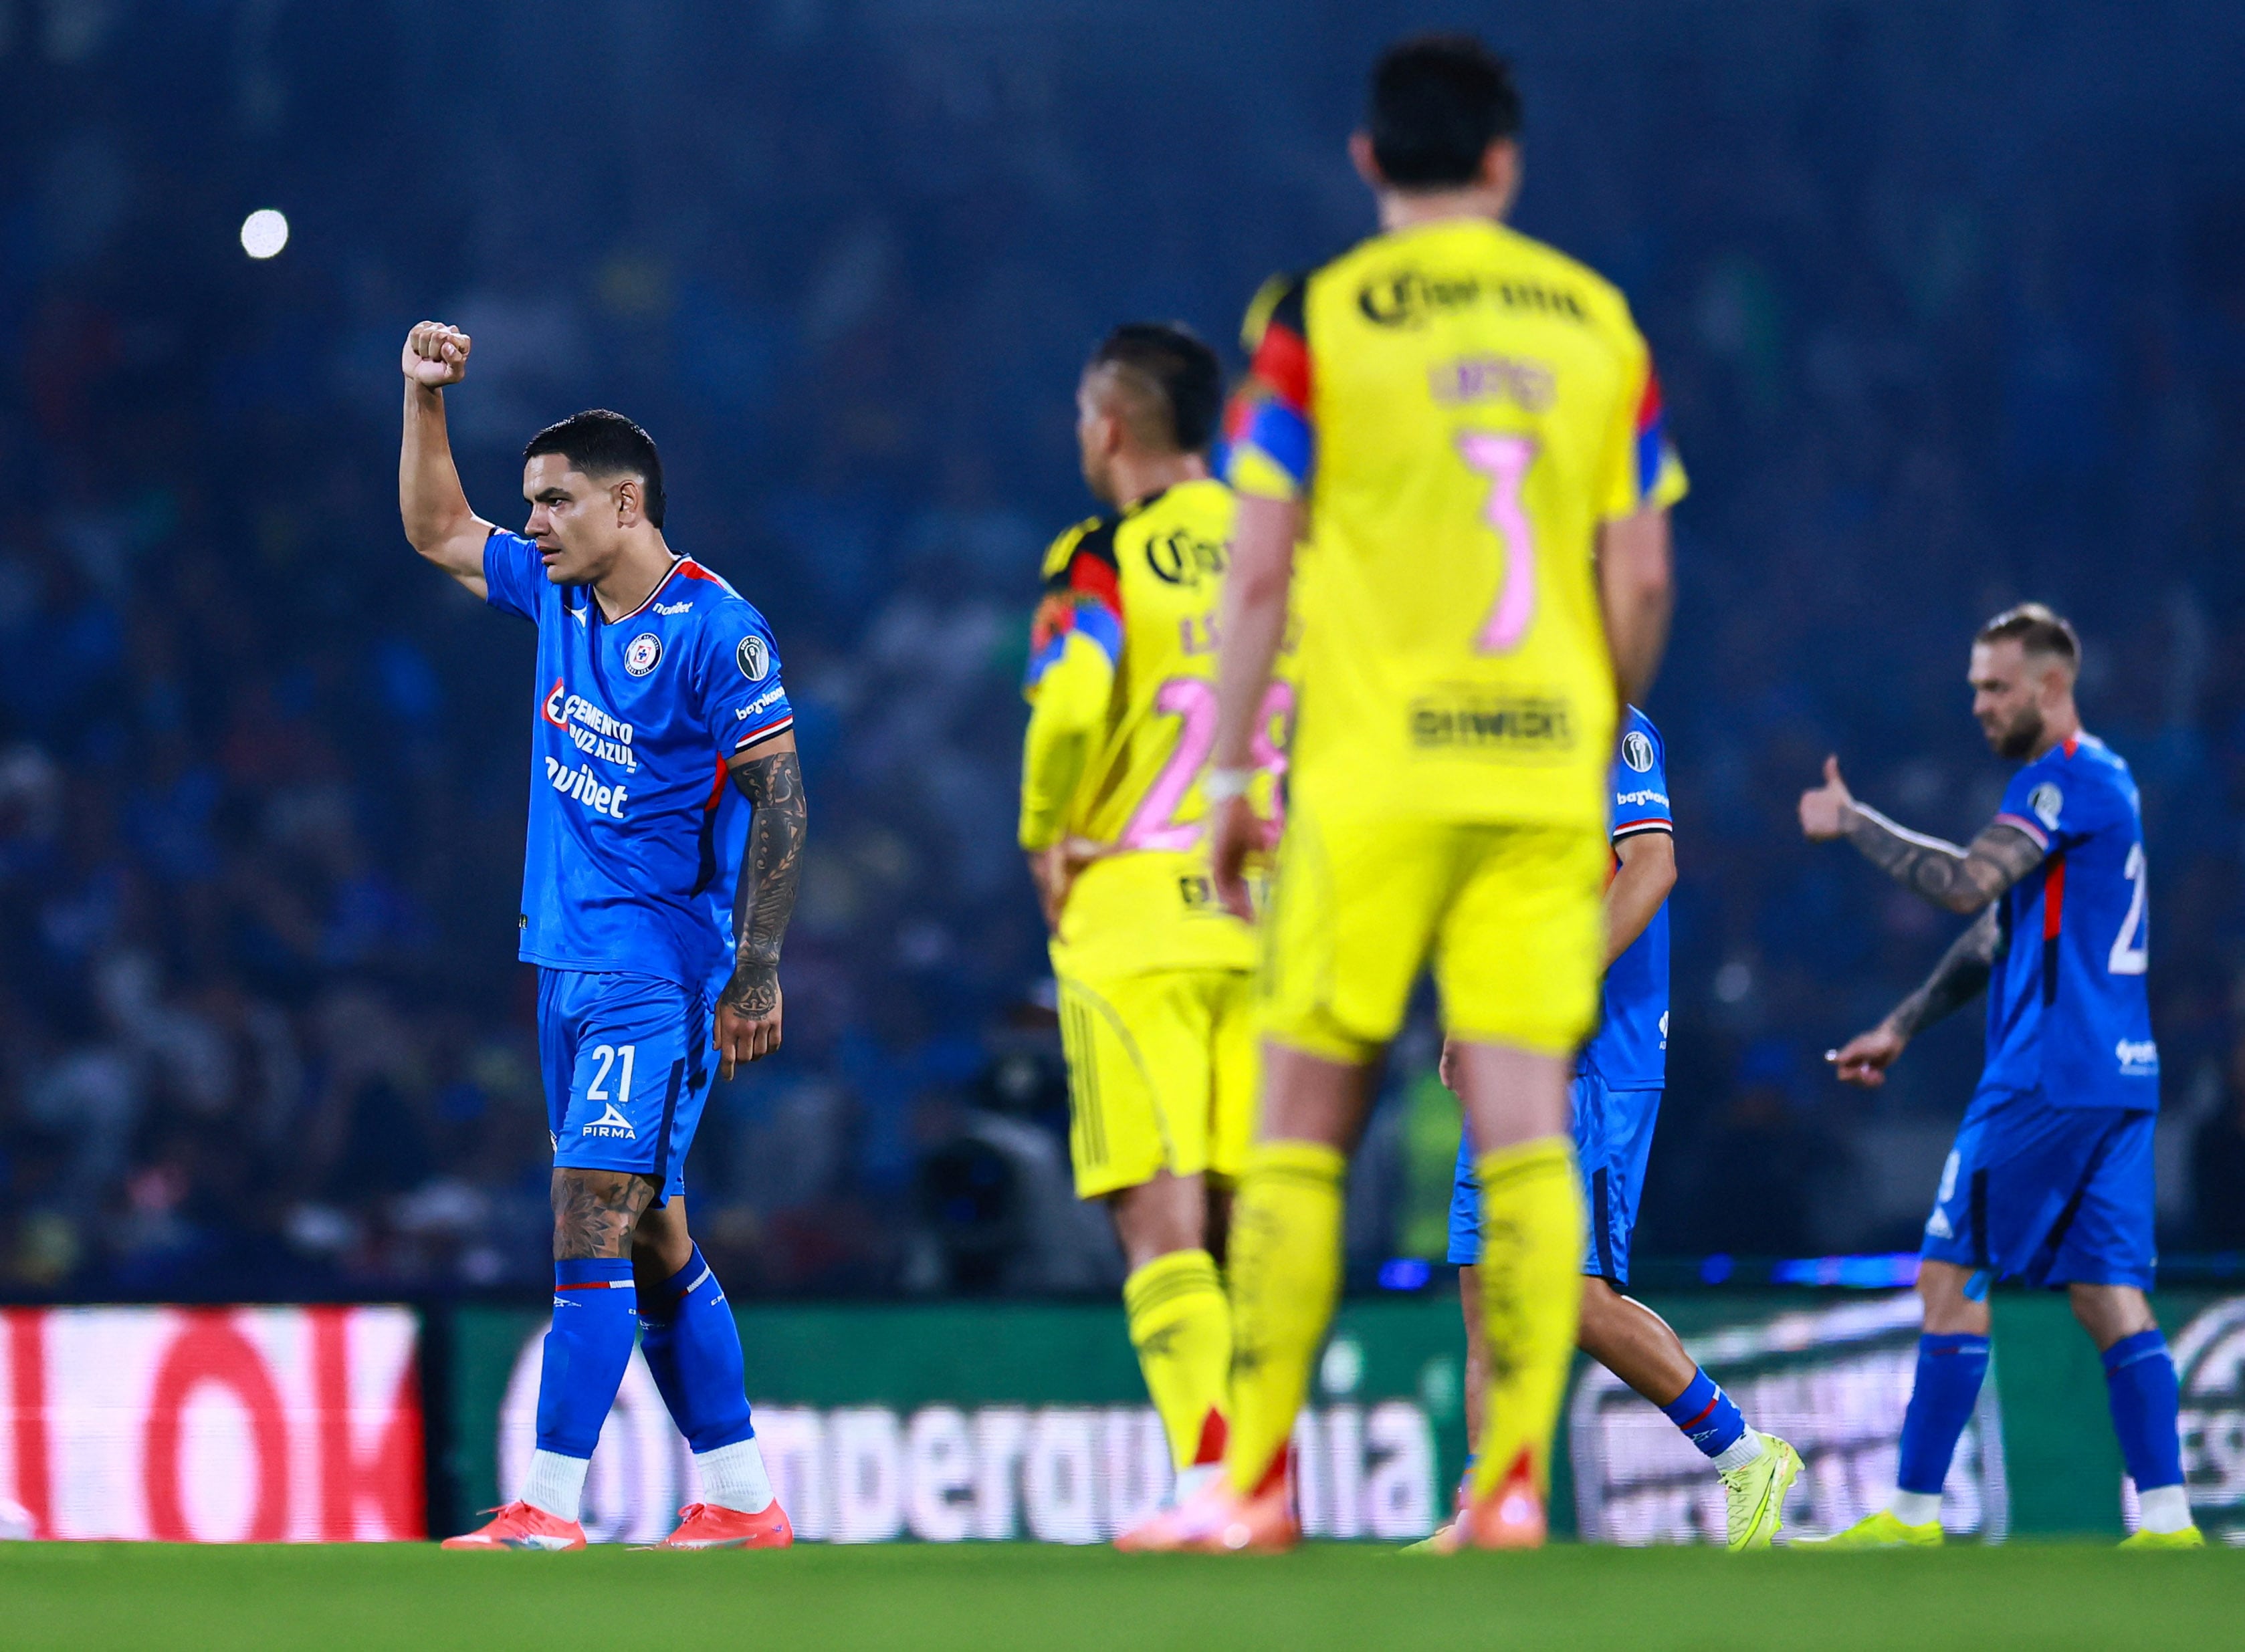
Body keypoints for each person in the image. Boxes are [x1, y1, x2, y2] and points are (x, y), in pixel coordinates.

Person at [1124, 33, 1681, 1553]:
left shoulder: (1312, 318)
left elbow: (1257, 564)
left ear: (1368, 161)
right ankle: (1501, 1492)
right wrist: (1591, 722)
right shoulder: (1595, 327)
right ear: (1504, 163)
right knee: (1519, 1126)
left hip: (1370, 769)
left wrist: (1231, 767)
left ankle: (1249, 1492)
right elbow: (1637, 573)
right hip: (1531, 768)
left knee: (1303, 1117)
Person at [399, 322, 803, 1551]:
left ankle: (548, 1509)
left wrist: (757, 965)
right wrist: (423, 403)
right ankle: (740, 1500)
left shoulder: (714, 630)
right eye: (529, 502)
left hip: (656, 975)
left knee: (586, 1208)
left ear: (626, 505)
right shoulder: (554, 593)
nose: (530, 524)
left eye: (556, 502)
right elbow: (435, 532)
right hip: (563, 965)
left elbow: (780, 795)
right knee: (652, 1225)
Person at [1799, 604, 2201, 1549]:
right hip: (2116, 1077)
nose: (1977, 703)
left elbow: (1964, 886)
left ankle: (1913, 1514)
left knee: (1948, 1270)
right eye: (1975, 685)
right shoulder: (2103, 782)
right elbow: (1999, 930)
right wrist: (1900, 1025)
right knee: (2107, 1292)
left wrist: (1854, 822)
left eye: (1994, 685)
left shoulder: (2063, 782)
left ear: (2050, 686)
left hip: (2044, 1077)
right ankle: (2173, 1518)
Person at [1422, 708, 1802, 1552]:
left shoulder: (1608, 720)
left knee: (1571, 1294)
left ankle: (1744, 1453)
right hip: (1515, 1047)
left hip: (1595, 1052)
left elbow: (1651, 864)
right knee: (1487, 1287)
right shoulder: (1502, 719)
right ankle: (1484, 1510)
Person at [1021, 324, 1281, 1512]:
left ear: (1111, 426)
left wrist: (1046, 832)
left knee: (1162, 1219)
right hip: (1266, 919)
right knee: (1246, 1227)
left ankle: (1218, 1485)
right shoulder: (1285, 553)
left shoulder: (1101, 557)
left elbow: (1075, 702)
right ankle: (1266, 1484)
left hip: (1133, 916)